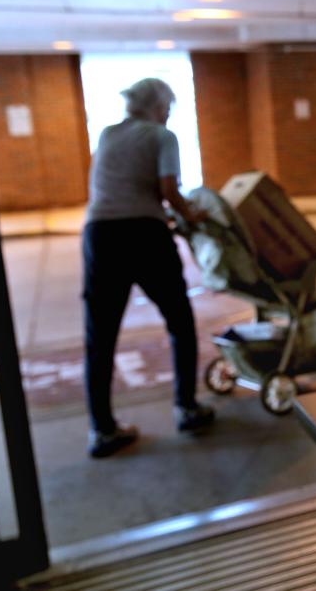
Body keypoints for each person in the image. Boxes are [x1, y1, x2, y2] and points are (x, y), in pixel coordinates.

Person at [83, 78, 214, 458]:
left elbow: (116, 185)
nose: (169, 114)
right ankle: (187, 408)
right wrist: (194, 214)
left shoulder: (108, 134)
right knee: (179, 320)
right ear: (158, 107)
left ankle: (102, 430)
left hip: (99, 235)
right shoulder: (161, 136)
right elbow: (169, 191)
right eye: (168, 107)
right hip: (143, 235)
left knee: (100, 335)